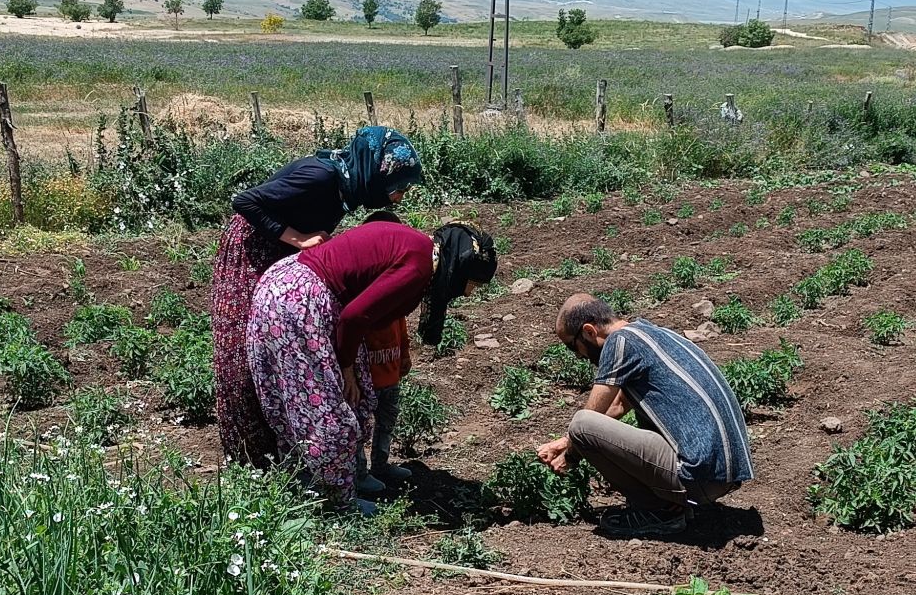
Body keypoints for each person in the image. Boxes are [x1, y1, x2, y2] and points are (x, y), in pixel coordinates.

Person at [247, 221, 495, 513]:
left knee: (339, 399)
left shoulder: (419, 249)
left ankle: (329, 480)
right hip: (298, 301)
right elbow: (354, 317)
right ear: (460, 268)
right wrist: (347, 367)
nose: (470, 294)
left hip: (288, 288)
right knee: (328, 411)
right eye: (473, 284)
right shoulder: (418, 266)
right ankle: (335, 502)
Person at [211, 126, 423, 466]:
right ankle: (250, 458)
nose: (398, 196)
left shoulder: (346, 188)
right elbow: (245, 201)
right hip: (253, 251)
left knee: (278, 349)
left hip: (282, 255)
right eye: (398, 186)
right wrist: (296, 239)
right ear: (377, 171)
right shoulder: (321, 176)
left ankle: (286, 454)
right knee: (246, 351)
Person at [536, 292, 753, 537]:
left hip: (699, 476)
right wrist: (565, 442)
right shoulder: (649, 332)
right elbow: (618, 405)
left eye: (572, 347)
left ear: (588, 331)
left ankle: (661, 510)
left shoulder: (620, 342)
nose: (578, 357)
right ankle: (669, 502)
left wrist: (570, 457)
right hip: (721, 472)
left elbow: (589, 419)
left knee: (581, 424)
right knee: (581, 429)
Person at [354, 212, 415, 498]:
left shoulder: (395, 281)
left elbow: (401, 321)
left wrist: (404, 353)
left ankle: (381, 464)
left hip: (389, 372)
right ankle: (360, 473)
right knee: (359, 427)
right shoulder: (359, 283)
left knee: (387, 421)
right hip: (366, 377)